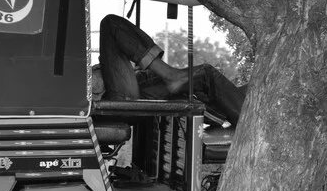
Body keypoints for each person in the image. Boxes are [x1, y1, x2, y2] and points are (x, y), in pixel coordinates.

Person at [97, 14, 245, 126]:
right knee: (111, 24)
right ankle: (250, 119)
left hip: (128, 89)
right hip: (112, 101)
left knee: (201, 79)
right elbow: (95, 86)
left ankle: (244, 113)